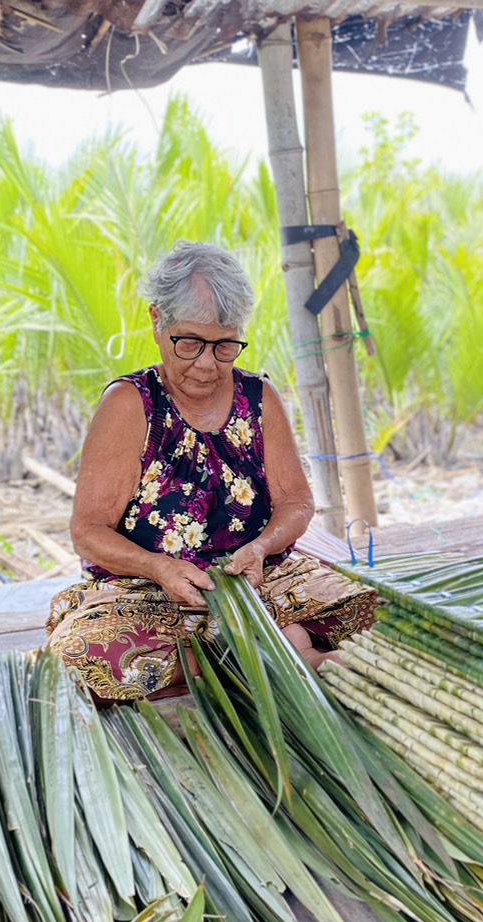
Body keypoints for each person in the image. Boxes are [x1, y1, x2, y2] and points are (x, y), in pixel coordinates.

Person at [45, 242, 378, 702]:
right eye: (190, 343)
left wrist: (260, 549)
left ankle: (244, 655)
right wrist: (159, 568)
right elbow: (87, 530)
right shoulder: (129, 405)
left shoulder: (259, 398)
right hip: (152, 596)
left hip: (259, 584)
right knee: (81, 658)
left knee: (374, 614)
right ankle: (278, 653)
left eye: (225, 346)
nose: (206, 363)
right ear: (156, 321)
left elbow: (297, 503)